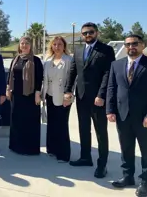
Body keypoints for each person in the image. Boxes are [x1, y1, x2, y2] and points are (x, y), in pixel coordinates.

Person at [64, 22, 115, 178]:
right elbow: (73, 71)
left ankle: (102, 164)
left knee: (101, 132)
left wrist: (101, 95)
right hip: (81, 97)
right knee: (83, 128)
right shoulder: (78, 51)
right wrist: (68, 90)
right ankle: (85, 157)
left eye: (90, 32)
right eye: (85, 33)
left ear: (96, 33)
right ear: (82, 35)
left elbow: (108, 73)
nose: (88, 35)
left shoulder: (106, 50)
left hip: (98, 99)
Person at [107, 34, 147, 196]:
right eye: (128, 44)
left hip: (143, 117)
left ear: (142, 45)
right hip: (122, 114)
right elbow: (111, 88)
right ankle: (127, 176)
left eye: (135, 44)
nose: (131, 47)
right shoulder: (116, 65)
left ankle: (145, 181)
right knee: (126, 148)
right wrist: (110, 110)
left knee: (146, 149)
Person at [7, 36, 43, 155]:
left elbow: (39, 78)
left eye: (26, 43)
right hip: (16, 95)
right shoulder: (16, 59)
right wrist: (8, 88)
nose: (24, 45)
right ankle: (16, 146)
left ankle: (29, 149)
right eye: (22, 43)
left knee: (30, 122)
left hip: (30, 96)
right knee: (17, 121)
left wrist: (38, 93)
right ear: (19, 45)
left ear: (30, 45)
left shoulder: (36, 60)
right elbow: (10, 76)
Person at [41, 36, 72, 162]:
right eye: (55, 44)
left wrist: (69, 95)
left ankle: (63, 154)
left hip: (63, 97)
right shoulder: (48, 61)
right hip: (50, 95)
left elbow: (72, 79)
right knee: (52, 124)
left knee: (62, 125)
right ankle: (52, 149)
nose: (57, 47)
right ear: (52, 46)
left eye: (60, 44)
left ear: (64, 46)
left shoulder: (69, 60)